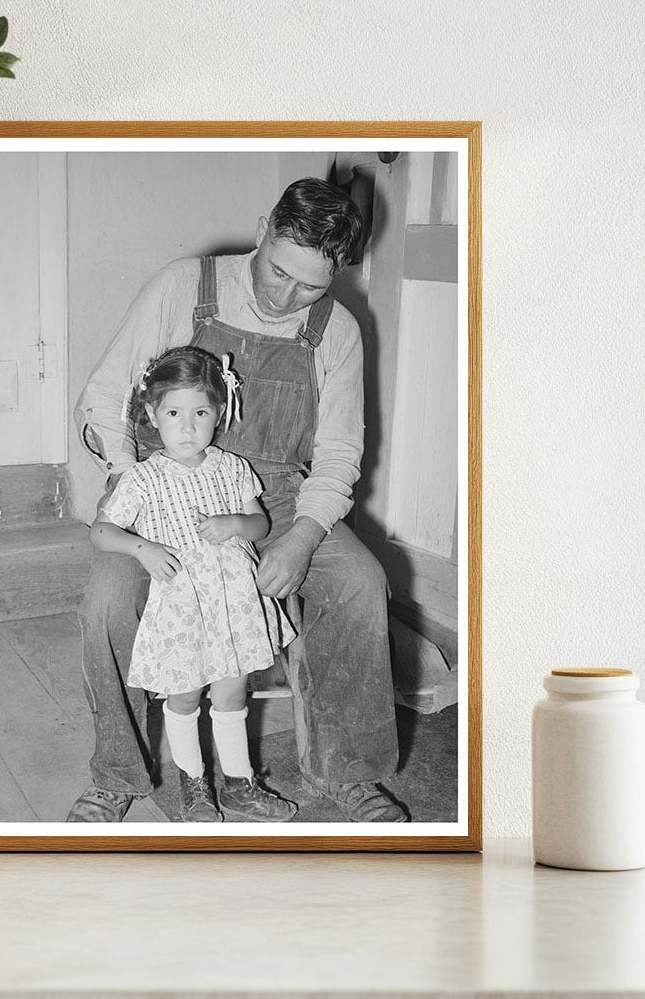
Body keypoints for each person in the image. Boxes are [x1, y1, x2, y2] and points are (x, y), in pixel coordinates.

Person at [70, 176, 408, 824]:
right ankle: (118, 770)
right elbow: (104, 397)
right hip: (166, 484)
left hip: (275, 495)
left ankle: (348, 770)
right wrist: (128, 478)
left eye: (310, 284)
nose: (286, 296)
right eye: (278, 271)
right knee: (110, 599)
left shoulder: (336, 330)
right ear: (262, 229)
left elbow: (338, 455)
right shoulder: (182, 287)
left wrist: (303, 536)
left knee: (360, 582)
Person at [91, 345, 298, 822]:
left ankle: (240, 783)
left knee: (231, 695)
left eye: (200, 412)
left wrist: (236, 524)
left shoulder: (232, 468)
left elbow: (260, 525)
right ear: (151, 414)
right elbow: (102, 532)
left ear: (220, 412)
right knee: (184, 697)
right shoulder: (144, 480)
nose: (187, 427)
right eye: (174, 413)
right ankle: (194, 783)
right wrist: (141, 548)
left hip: (235, 603)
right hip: (183, 607)